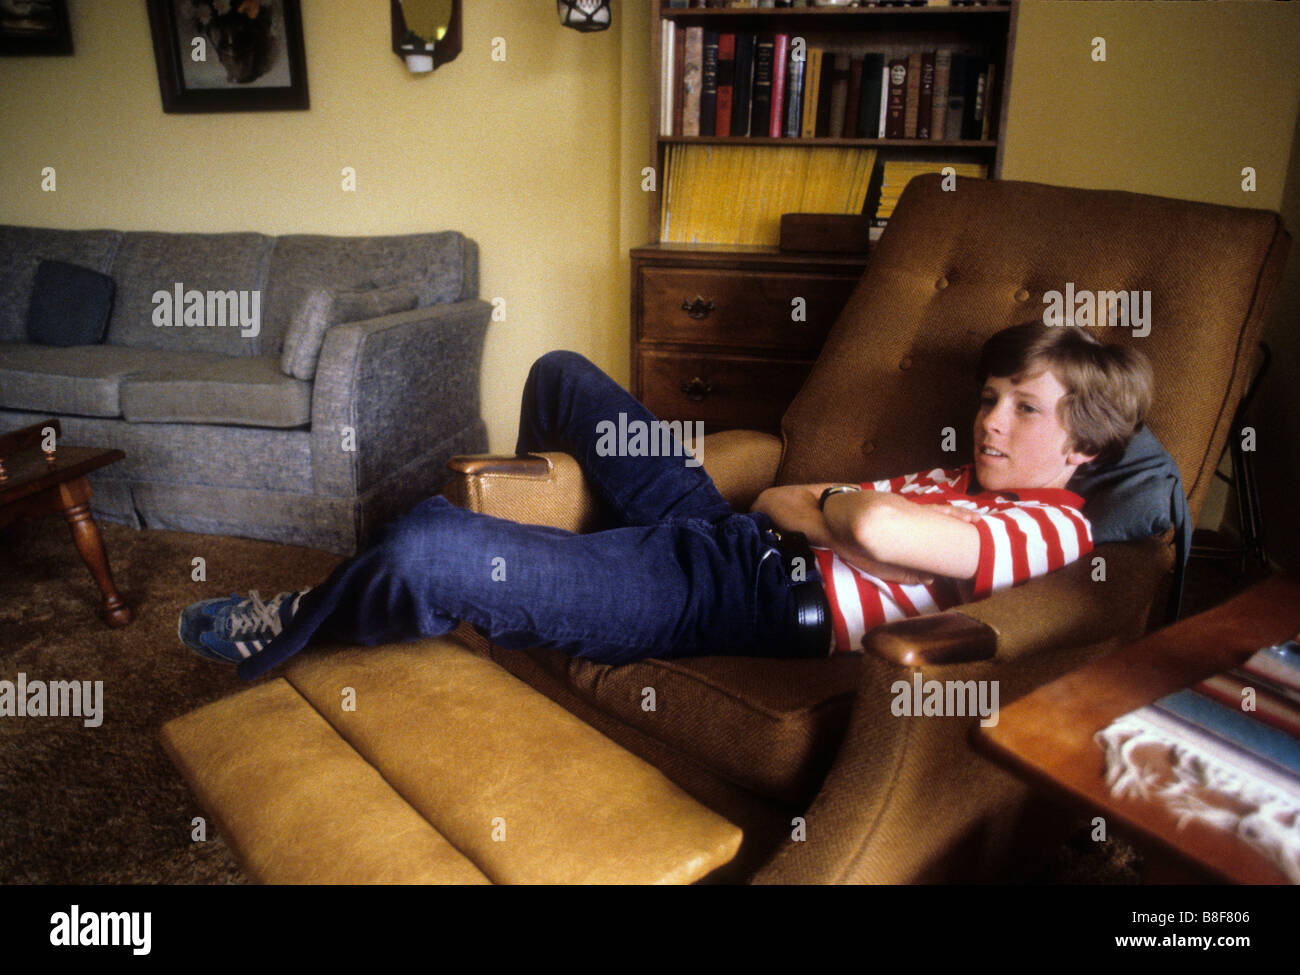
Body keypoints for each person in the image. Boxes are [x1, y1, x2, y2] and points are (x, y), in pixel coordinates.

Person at [178, 321, 1153, 680]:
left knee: (423, 545)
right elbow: (781, 497)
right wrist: (833, 514)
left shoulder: (1051, 526)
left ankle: (298, 617)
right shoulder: (962, 485)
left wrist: (840, 510)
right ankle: (589, 564)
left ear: (1083, 442)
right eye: (988, 397)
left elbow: (870, 522)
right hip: (721, 536)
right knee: (564, 376)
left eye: (1023, 408)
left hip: (734, 599)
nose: (989, 419)